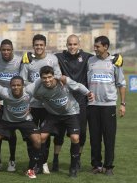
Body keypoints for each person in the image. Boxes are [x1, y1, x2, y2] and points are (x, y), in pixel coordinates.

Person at [35, 66, 94, 178]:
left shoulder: (64, 81)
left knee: (75, 138)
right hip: (53, 115)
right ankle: (39, 165)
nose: (47, 80)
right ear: (41, 78)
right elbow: (35, 96)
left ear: (54, 76)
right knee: (41, 137)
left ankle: (73, 167)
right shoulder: (40, 89)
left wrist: (88, 93)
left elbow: (78, 86)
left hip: (71, 113)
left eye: (49, 77)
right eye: (44, 78)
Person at [0, 76, 42, 179]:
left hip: (25, 121)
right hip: (7, 121)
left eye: (18, 85)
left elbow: (41, 79)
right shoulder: (5, 92)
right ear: (10, 86)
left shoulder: (29, 90)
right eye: (13, 85)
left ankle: (31, 169)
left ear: (23, 86)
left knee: (37, 140)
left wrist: (31, 104)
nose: (16, 87)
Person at [20, 34, 62, 174]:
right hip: (31, 105)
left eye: (41, 45)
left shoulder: (52, 59)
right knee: (30, 136)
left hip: (47, 106)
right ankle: (33, 163)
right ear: (33, 46)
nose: (39, 47)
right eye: (36, 45)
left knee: (45, 136)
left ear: (45, 45)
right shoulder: (28, 60)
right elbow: (22, 81)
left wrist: (46, 89)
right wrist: (35, 88)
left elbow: (58, 78)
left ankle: (43, 162)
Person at [52, 34, 93, 171]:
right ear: (66, 45)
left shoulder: (87, 57)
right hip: (64, 101)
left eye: (75, 44)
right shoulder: (59, 57)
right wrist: (29, 55)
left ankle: (77, 160)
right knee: (59, 133)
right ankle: (56, 159)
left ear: (79, 45)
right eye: (70, 44)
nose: (72, 47)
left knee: (80, 134)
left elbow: (102, 57)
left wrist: (115, 57)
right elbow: (42, 56)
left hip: (81, 102)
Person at [87, 36, 126, 176]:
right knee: (95, 138)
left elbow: (121, 84)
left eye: (97, 46)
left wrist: (122, 104)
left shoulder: (115, 62)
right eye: (95, 46)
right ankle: (96, 165)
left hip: (108, 105)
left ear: (105, 47)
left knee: (109, 137)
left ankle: (108, 166)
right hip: (92, 105)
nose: (95, 48)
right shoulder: (90, 61)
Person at [0, 39, 21, 172]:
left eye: (8, 50)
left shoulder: (19, 60)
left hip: (12, 102)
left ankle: (12, 160)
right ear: (0, 50)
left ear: (12, 50)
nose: (6, 52)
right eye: (3, 50)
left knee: (11, 134)